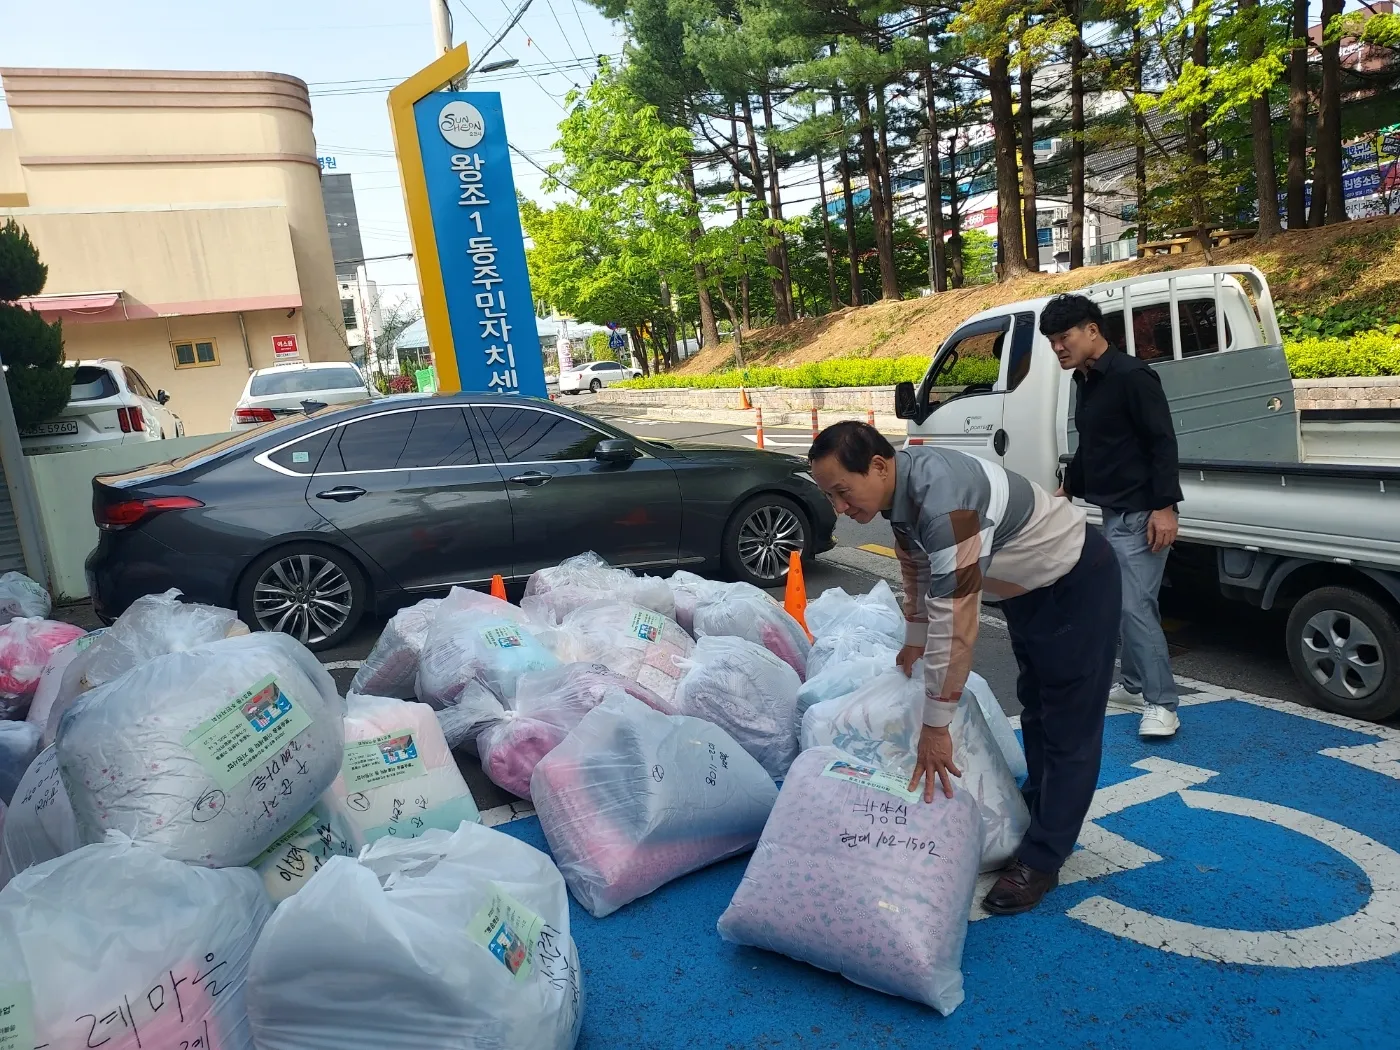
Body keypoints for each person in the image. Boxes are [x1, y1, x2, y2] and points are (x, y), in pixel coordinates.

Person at [808, 422, 1121, 916]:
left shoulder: (945, 505)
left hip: (1072, 585)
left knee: (1069, 724)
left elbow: (955, 625)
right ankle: (1040, 807)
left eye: (842, 492)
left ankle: (1042, 859)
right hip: (1025, 591)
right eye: (830, 498)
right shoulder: (902, 490)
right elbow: (914, 567)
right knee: (1038, 707)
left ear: (877, 465)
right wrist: (913, 641)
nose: (840, 508)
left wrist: (937, 726)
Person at [1043, 293, 1184, 739]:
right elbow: (1093, 444)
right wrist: (1068, 487)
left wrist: (1165, 507)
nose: (1058, 348)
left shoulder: (1132, 376)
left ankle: (1163, 704)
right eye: (1052, 341)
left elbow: (1162, 443)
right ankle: (1135, 685)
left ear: (1091, 330)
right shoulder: (1085, 380)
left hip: (1142, 513)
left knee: (1134, 607)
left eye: (1063, 337)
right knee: (1126, 606)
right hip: (1114, 511)